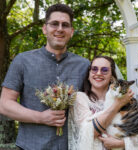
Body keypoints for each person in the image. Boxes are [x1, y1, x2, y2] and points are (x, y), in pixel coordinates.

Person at [0, 4, 90, 150]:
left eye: (65, 25)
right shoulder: (23, 61)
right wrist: (40, 117)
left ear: (71, 31)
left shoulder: (85, 66)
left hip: (74, 146)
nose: (60, 29)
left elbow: (97, 102)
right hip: (30, 146)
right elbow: (4, 104)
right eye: (54, 24)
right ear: (44, 29)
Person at [68, 55, 138, 150]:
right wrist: (118, 104)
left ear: (112, 77)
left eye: (104, 70)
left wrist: (122, 143)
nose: (98, 73)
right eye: (94, 69)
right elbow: (89, 132)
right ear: (88, 75)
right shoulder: (80, 98)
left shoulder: (125, 98)